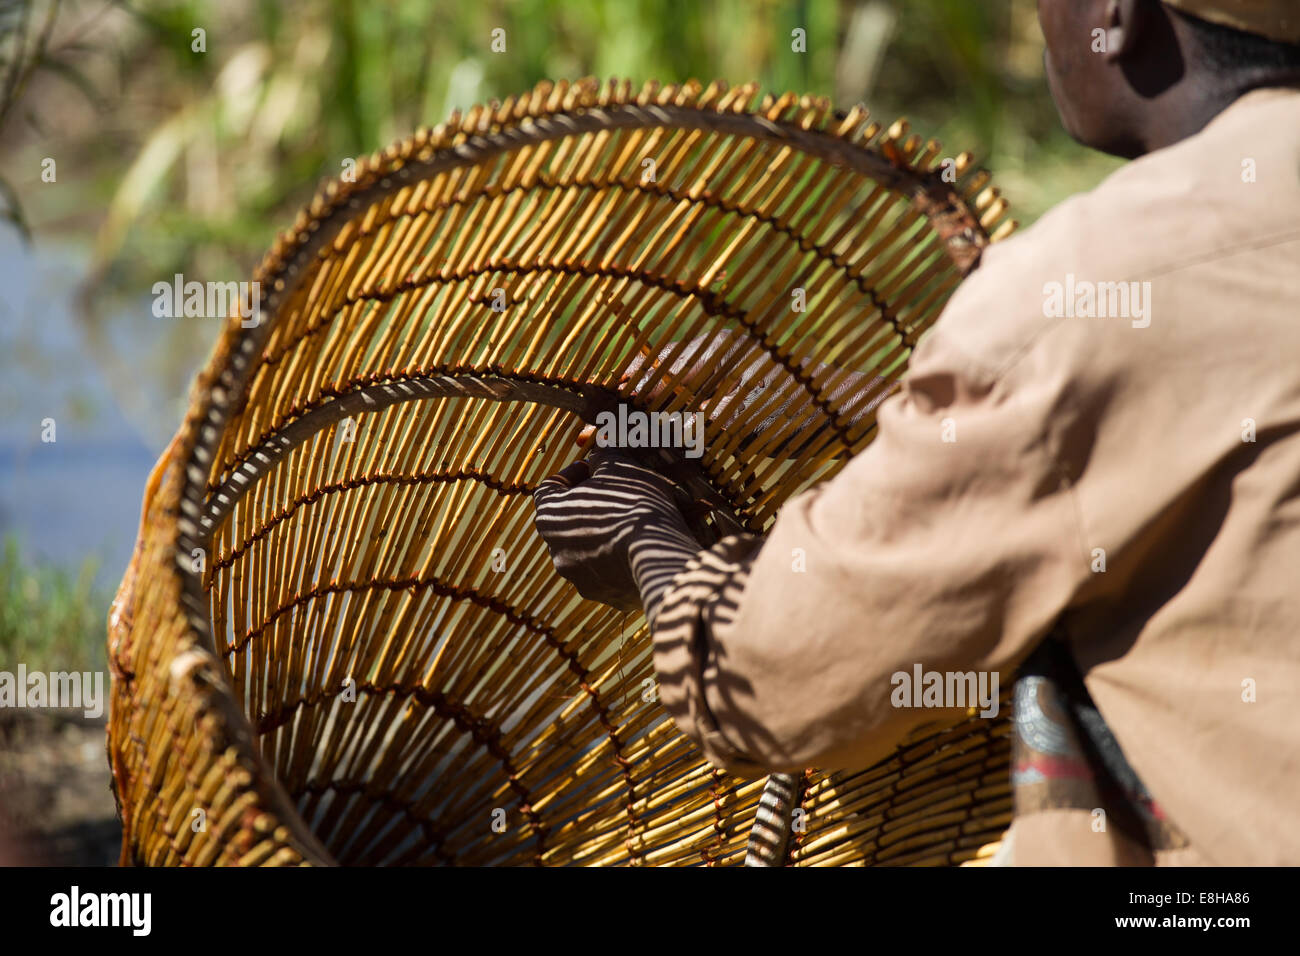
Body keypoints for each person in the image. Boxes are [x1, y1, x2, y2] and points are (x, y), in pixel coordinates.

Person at [532, 0, 1300, 865]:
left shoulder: (1085, 280)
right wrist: (853, 400)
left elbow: (777, 678)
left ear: (1115, 16)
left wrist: (644, 534)